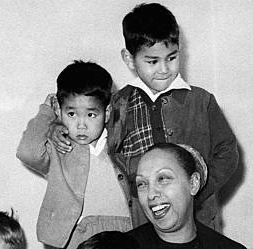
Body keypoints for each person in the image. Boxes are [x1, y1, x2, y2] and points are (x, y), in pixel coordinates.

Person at [48, 3, 238, 231]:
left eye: (172, 57)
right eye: (152, 61)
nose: (164, 69)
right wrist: (57, 126)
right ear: (129, 59)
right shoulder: (118, 104)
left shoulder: (201, 100)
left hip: (197, 220)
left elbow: (227, 150)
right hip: (143, 222)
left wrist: (200, 191)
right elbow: (88, 128)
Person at [17, 60, 132, 249]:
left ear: (107, 111)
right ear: (60, 111)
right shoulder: (61, 147)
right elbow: (27, 152)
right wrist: (48, 115)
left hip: (124, 234)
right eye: (71, 114)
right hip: (77, 237)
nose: (81, 124)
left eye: (91, 114)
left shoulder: (121, 142)